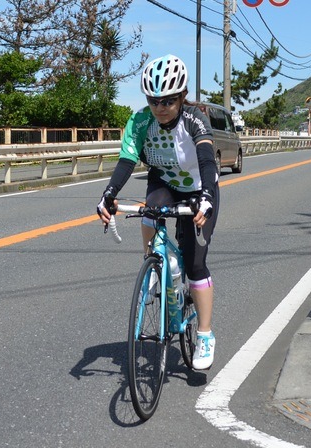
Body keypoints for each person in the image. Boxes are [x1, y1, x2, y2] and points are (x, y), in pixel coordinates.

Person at [96, 54, 219, 370]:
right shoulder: (140, 122)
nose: (160, 108)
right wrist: (109, 194)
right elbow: (127, 161)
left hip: (198, 190)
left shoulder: (195, 119)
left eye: (168, 100)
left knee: (195, 265)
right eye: (154, 101)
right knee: (149, 210)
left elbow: (207, 160)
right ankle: (153, 264)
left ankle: (204, 334)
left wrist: (205, 196)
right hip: (164, 182)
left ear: (182, 96)